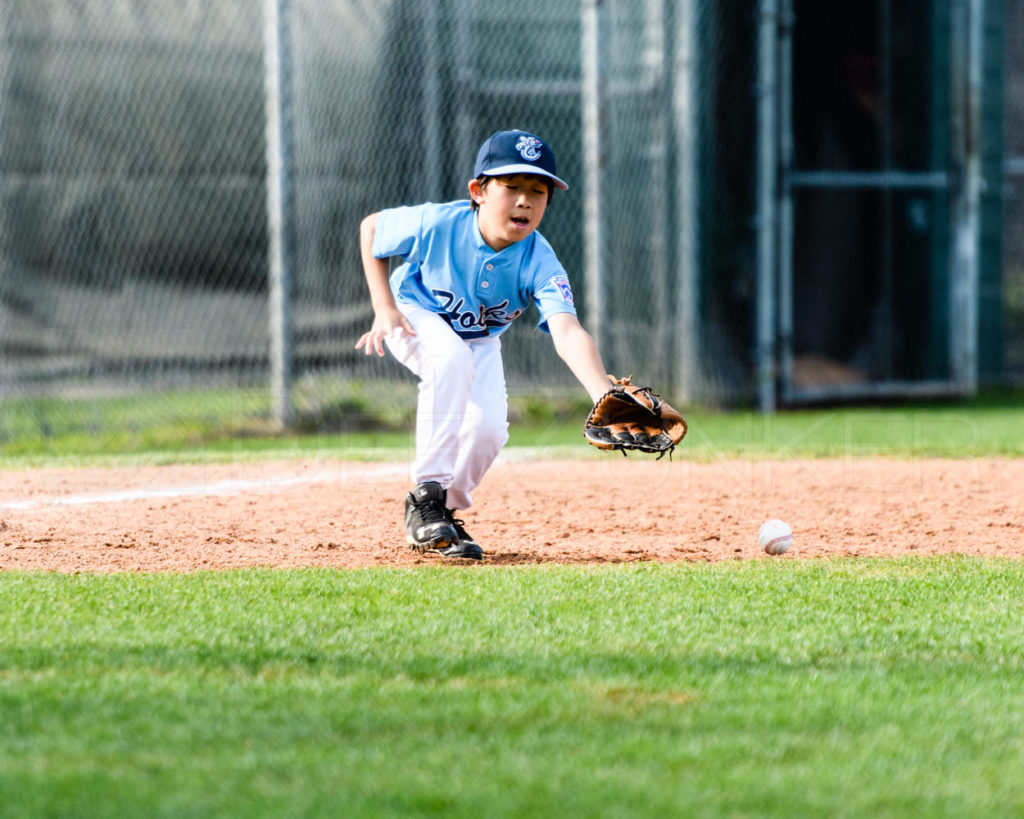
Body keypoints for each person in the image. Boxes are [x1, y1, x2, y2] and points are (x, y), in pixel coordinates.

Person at [356, 129, 612, 560]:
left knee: (489, 429)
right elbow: (372, 229)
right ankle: (426, 497)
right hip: (413, 313)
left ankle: (443, 516)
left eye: (538, 190)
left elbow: (567, 330)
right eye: (511, 187)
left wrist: (602, 392)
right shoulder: (439, 223)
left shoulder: (540, 260)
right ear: (478, 191)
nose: (525, 200)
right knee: (450, 359)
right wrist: (382, 306)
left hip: (479, 339)